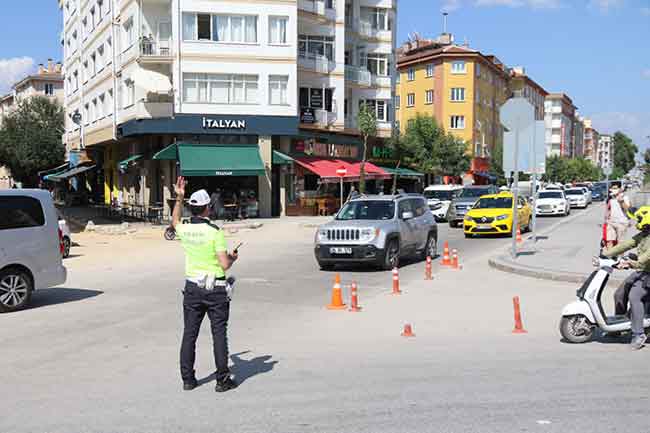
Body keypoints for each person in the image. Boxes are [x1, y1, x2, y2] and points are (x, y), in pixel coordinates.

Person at [171, 176, 239, 392]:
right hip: (216, 289)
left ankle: (188, 380)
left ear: (192, 208)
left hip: (192, 288)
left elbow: (174, 221)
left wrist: (179, 198)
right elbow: (224, 264)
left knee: (189, 333)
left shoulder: (185, 229)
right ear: (208, 208)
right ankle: (222, 380)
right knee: (219, 333)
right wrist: (233, 257)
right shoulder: (215, 232)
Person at [602, 209, 650, 350]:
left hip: (647, 273)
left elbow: (645, 258)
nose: (637, 222)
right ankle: (618, 327)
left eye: (639, 220)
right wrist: (605, 255)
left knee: (635, 296)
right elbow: (627, 244)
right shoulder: (644, 235)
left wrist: (630, 263)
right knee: (619, 293)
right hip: (642, 271)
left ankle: (639, 334)